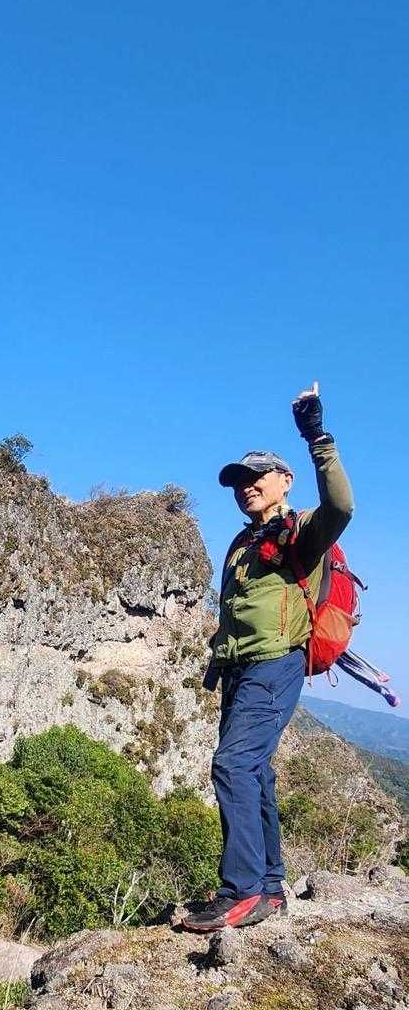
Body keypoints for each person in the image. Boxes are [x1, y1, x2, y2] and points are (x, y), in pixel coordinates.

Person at [181, 383, 354, 933]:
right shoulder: (243, 543)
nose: (246, 486)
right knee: (253, 771)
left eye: (257, 476)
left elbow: (341, 506)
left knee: (232, 765)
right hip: (239, 670)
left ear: (285, 481)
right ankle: (271, 886)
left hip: (276, 665)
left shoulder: (302, 532)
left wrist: (316, 436)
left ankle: (242, 891)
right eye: (239, 481)